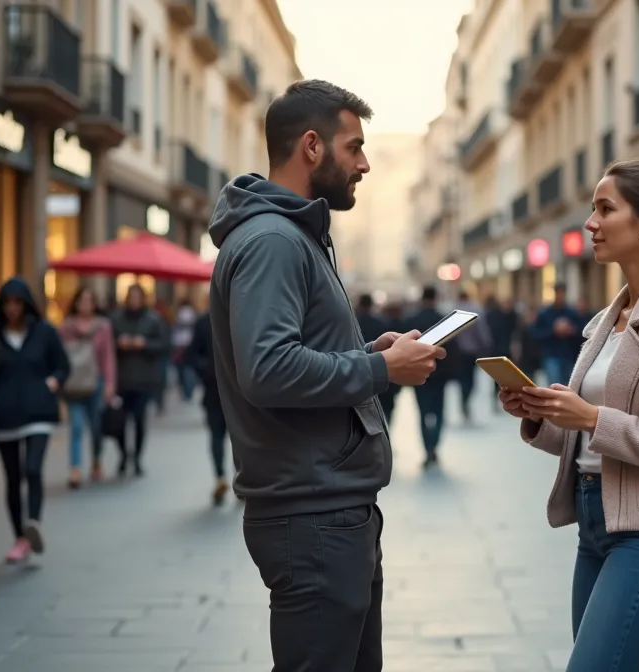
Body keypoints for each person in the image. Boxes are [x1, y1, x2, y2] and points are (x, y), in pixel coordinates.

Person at [206, 79, 445, 671]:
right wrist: (380, 368)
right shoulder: (273, 240)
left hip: (328, 507)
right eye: (354, 147)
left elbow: (290, 352)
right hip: (311, 514)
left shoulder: (293, 235)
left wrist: (367, 351)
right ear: (312, 146)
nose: (364, 164)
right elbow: (268, 369)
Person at [500, 160, 639, 670]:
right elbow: (594, 440)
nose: (591, 223)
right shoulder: (609, 320)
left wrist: (590, 417)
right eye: (593, 209)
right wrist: (542, 414)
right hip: (595, 529)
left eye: (606, 209)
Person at [0, 278, 70, 564]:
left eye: (17, 302)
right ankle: (19, 538)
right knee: (12, 477)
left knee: (33, 468)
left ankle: (32, 524)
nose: (12, 308)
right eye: (7, 302)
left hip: (38, 411)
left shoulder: (44, 331)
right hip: (4, 415)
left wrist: (55, 381)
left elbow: (62, 364)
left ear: (26, 304)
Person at [58, 287, 117, 485]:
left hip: (96, 382)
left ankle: (96, 460)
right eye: (81, 300)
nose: (85, 305)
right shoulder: (66, 327)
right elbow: (59, 356)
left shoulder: (103, 326)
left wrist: (109, 383)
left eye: (89, 301)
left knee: (96, 426)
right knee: (75, 426)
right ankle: (75, 468)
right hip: (73, 384)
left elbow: (108, 357)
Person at [111, 284, 167, 477]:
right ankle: (123, 454)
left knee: (139, 420)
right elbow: (107, 346)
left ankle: (137, 458)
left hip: (144, 379)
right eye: (131, 297)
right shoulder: (116, 319)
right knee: (119, 421)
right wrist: (120, 344)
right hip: (121, 379)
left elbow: (164, 345)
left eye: (137, 297)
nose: (134, 301)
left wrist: (145, 344)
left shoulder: (153, 319)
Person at [403, 286, 452, 466]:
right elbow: (451, 350)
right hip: (439, 375)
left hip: (418, 374)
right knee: (439, 411)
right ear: (436, 298)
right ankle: (434, 446)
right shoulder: (443, 320)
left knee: (423, 413)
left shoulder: (411, 320)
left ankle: (427, 447)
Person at [186, 309, 230, 505]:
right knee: (218, 435)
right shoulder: (204, 322)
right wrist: (206, 371)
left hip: (238, 390)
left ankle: (234, 479)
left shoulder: (241, 316)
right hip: (215, 389)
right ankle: (221, 478)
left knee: (234, 437)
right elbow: (191, 354)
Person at [355, 293, 399, 420]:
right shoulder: (381, 324)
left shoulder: (353, 323)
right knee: (385, 411)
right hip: (382, 374)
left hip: (359, 375)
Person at [451, 290, 492, 425]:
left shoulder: (453, 311)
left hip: (457, 353)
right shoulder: (475, 311)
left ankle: (464, 401)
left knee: (462, 379)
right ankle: (466, 400)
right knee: (470, 380)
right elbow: (482, 332)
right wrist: (485, 345)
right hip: (472, 352)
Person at [531, 282, 584, 385]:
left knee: (568, 385)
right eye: (558, 293)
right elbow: (535, 334)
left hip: (569, 355)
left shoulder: (572, 313)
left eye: (562, 293)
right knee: (554, 385)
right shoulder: (545, 313)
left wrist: (570, 330)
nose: (560, 296)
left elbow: (582, 333)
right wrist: (553, 330)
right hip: (551, 355)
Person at [171, 299, 199, 402]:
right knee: (187, 370)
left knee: (183, 370)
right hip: (187, 345)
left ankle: (186, 391)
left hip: (181, 345)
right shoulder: (192, 314)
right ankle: (188, 391)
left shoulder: (180, 313)